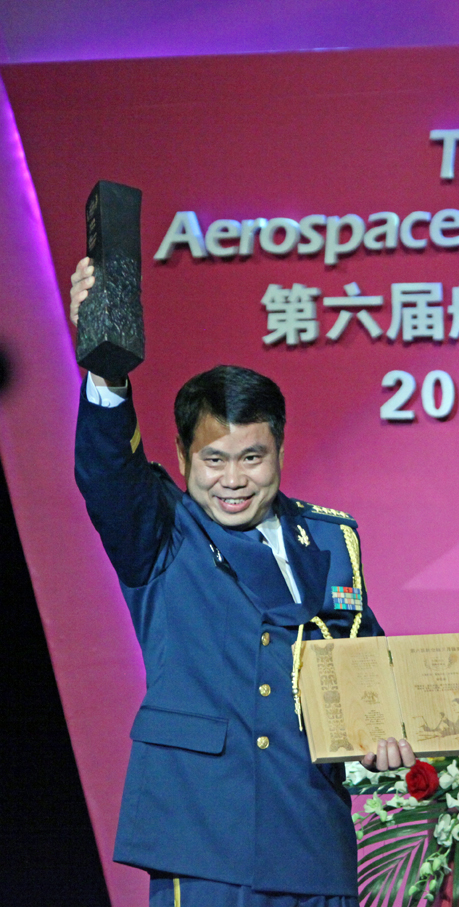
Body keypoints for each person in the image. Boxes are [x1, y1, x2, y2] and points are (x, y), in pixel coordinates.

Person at [69, 258, 415, 907]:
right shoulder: (162, 529)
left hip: (312, 836)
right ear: (183, 456)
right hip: (200, 837)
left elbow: (363, 662)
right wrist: (106, 362)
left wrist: (383, 732)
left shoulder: (332, 538)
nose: (233, 480)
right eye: (214, 460)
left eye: (252, 457)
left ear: (279, 450)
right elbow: (106, 470)